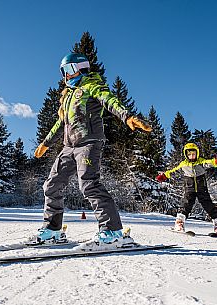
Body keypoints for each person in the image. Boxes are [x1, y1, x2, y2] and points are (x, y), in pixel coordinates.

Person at [34, 53, 152, 245]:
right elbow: (61, 123)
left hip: (89, 143)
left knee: (89, 184)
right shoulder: (67, 97)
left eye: (69, 70)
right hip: (68, 147)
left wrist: (127, 116)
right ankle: (53, 229)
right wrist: (46, 143)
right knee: (51, 185)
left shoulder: (92, 86)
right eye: (63, 72)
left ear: (82, 68)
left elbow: (109, 100)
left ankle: (112, 231)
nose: (66, 76)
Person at [156, 143, 217, 235]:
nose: (192, 156)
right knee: (185, 204)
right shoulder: (184, 165)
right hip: (189, 189)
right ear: (186, 155)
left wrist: (216, 162)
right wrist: (165, 176)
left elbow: (209, 162)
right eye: (189, 154)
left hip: (202, 189)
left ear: (197, 153)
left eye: (193, 154)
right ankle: (179, 223)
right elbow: (174, 171)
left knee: (208, 205)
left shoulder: (201, 162)